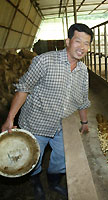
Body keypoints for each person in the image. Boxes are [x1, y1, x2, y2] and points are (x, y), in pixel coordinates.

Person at [1, 23, 94, 200]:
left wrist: (84, 122)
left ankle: (53, 183)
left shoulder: (83, 71)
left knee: (62, 160)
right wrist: (10, 119)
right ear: (68, 41)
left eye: (87, 43)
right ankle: (36, 183)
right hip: (36, 123)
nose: (82, 47)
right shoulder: (44, 61)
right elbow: (23, 88)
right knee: (33, 160)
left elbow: (83, 100)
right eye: (78, 41)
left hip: (63, 126)